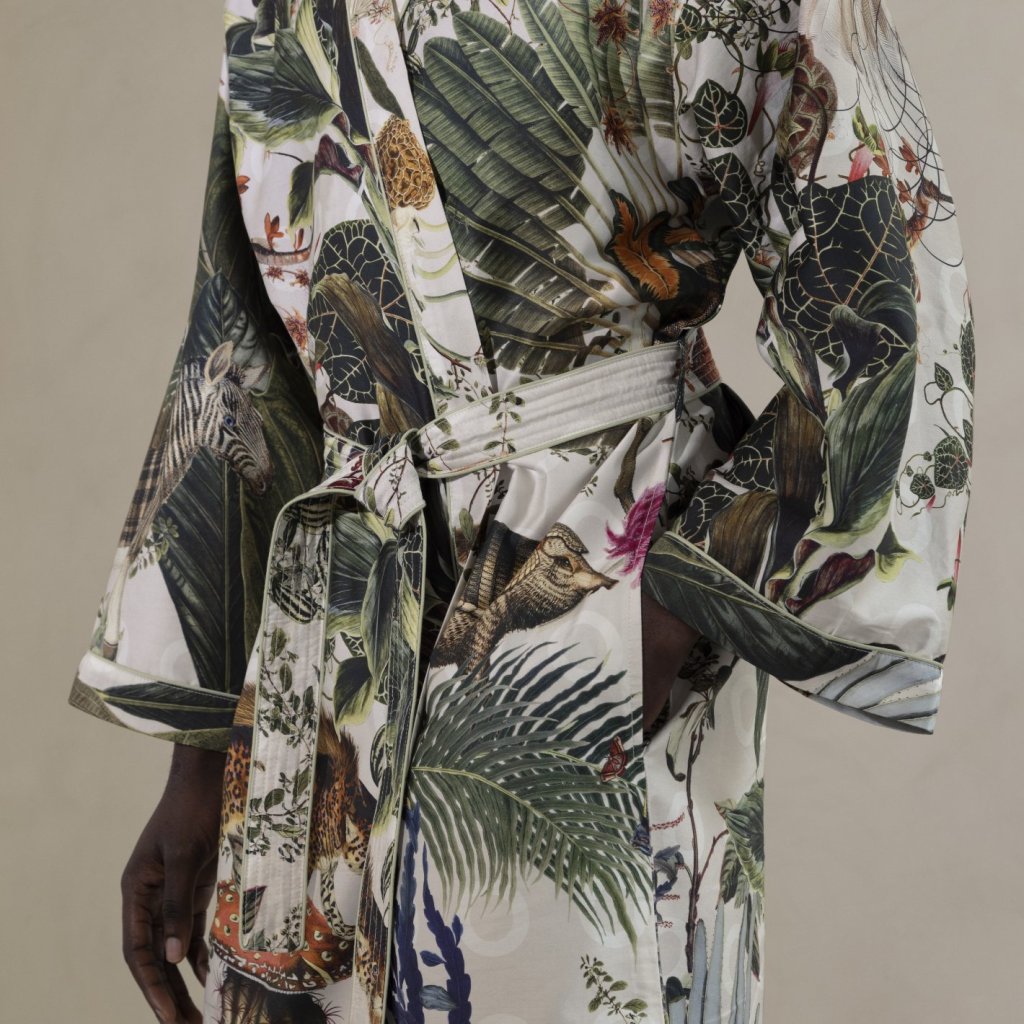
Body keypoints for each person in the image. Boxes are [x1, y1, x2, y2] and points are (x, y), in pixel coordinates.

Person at [68, 0, 975, 1021]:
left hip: (585, 587)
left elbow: (889, 294)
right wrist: (204, 767)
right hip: (321, 676)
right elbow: (242, 358)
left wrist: (660, 617)